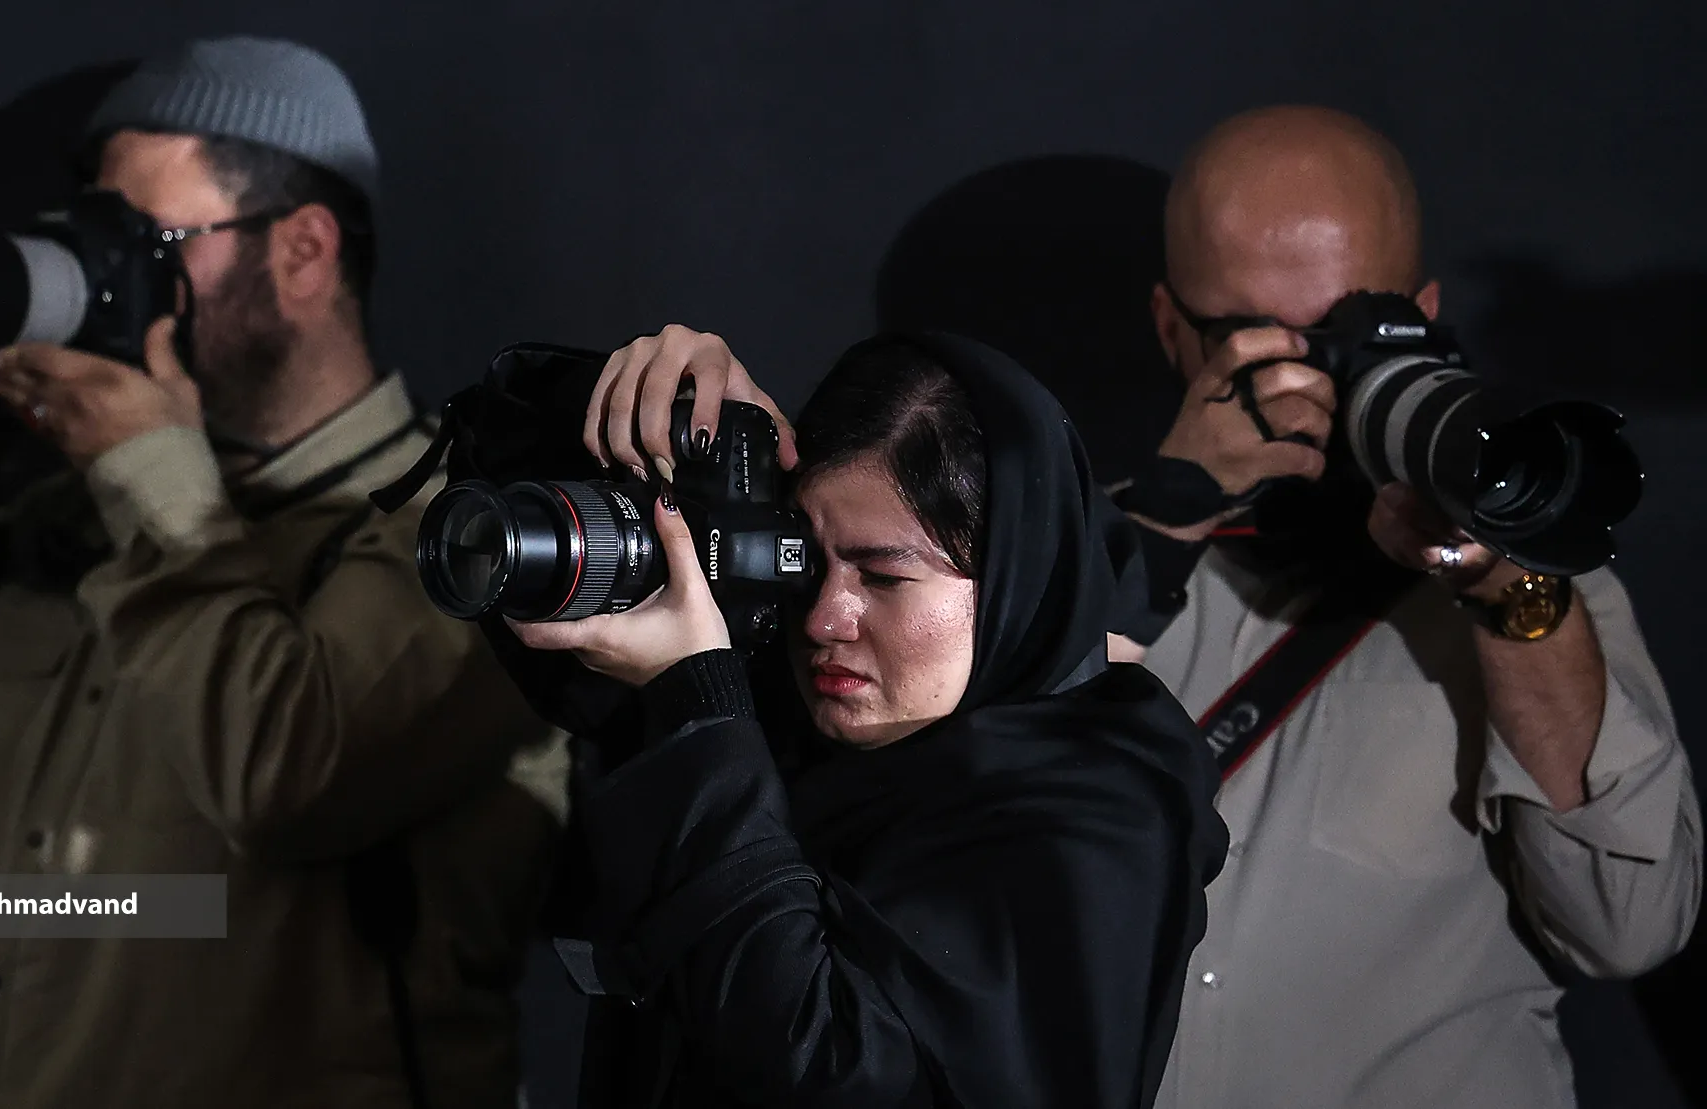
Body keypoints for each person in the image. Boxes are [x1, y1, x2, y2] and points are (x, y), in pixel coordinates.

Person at [0, 36, 569, 1109]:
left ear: (303, 251)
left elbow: (285, 782)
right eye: (88, 241)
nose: (113, 280)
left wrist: (144, 469)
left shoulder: (471, 535)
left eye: (146, 242)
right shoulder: (69, 522)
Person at [1109, 104, 1702, 1107]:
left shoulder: (1539, 584)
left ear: (1422, 314)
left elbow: (1629, 925)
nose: (1310, 380)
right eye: (1255, 339)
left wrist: (1503, 589)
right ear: (1172, 327)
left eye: (1350, 332)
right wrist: (1167, 516)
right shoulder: (1064, 566)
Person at [488, 324, 1229, 1106]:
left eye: (882, 578)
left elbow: (831, 1071)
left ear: (1014, 580)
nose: (823, 617)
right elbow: (555, 637)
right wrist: (631, 406)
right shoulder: (804, 721)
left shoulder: (1099, 819)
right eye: (805, 559)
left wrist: (701, 707)